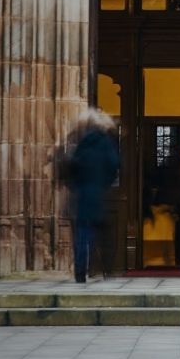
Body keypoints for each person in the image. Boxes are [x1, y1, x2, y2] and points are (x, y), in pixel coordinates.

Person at [64, 108, 119, 283]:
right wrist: (103, 184)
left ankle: (80, 272)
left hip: (81, 195)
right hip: (97, 196)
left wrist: (76, 186)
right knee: (104, 235)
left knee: (82, 235)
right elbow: (114, 165)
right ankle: (107, 269)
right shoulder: (105, 143)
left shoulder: (82, 143)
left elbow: (72, 167)